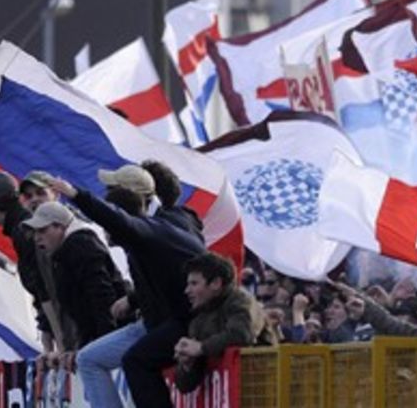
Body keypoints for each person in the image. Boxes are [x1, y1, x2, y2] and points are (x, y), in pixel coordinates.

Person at [48, 166, 205, 408]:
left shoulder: (154, 228)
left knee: (136, 361)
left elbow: (119, 221)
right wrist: (132, 300)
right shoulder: (156, 225)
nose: (106, 234)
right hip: (154, 319)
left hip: (184, 320)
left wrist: (76, 195)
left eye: (112, 191)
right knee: (88, 359)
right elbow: (158, 276)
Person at [0, 170, 65, 353]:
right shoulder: (23, 227)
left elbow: (46, 290)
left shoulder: (24, 231)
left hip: (72, 327)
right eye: (29, 195)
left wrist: (61, 347)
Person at [22, 201, 124, 349]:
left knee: (87, 363)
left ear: (61, 227)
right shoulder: (63, 252)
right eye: (35, 232)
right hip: (99, 334)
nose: (37, 237)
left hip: (113, 331)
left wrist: (103, 344)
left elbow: (101, 296)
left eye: (42, 230)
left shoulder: (80, 246)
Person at [174, 253, 259, 392]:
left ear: (216, 283)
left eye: (194, 283)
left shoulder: (241, 301)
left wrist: (201, 347)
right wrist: (187, 365)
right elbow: (185, 387)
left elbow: (241, 334)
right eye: (188, 284)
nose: (187, 291)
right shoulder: (198, 321)